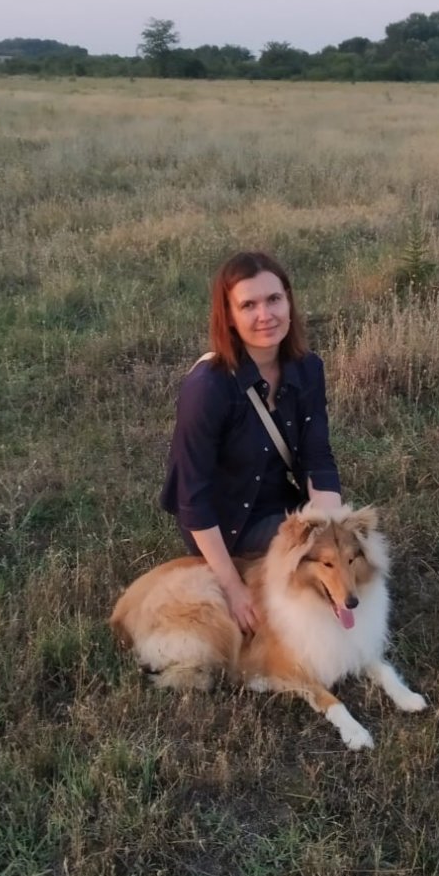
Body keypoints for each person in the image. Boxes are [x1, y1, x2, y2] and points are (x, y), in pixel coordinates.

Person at [160, 250, 342, 635]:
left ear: (289, 301)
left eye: (274, 299)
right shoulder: (208, 388)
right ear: (228, 316)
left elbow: (318, 457)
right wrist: (231, 585)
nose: (266, 315)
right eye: (248, 305)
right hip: (226, 522)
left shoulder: (308, 368)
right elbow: (192, 498)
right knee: (311, 570)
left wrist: (331, 527)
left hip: (280, 503)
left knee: (350, 552)